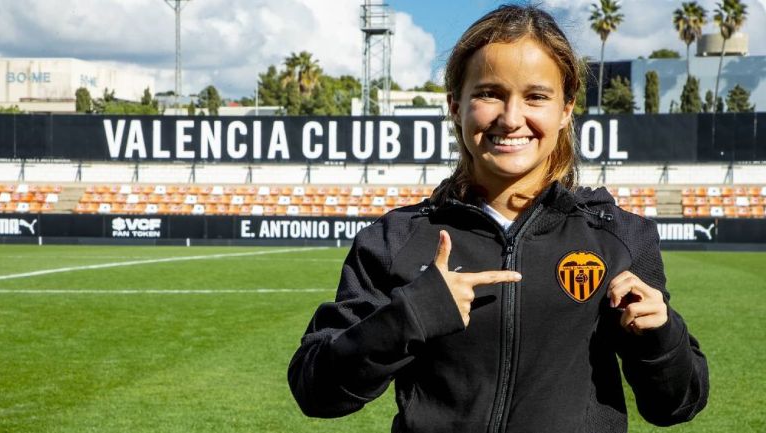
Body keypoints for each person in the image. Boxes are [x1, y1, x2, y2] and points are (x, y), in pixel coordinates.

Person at [288, 4, 709, 432]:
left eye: (536, 97)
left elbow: (675, 405)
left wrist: (660, 336)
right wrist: (410, 314)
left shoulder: (618, 238)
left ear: (566, 110)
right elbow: (315, 390)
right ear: (455, 105)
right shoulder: (396, 240)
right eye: (489, 93)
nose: (511, 119)